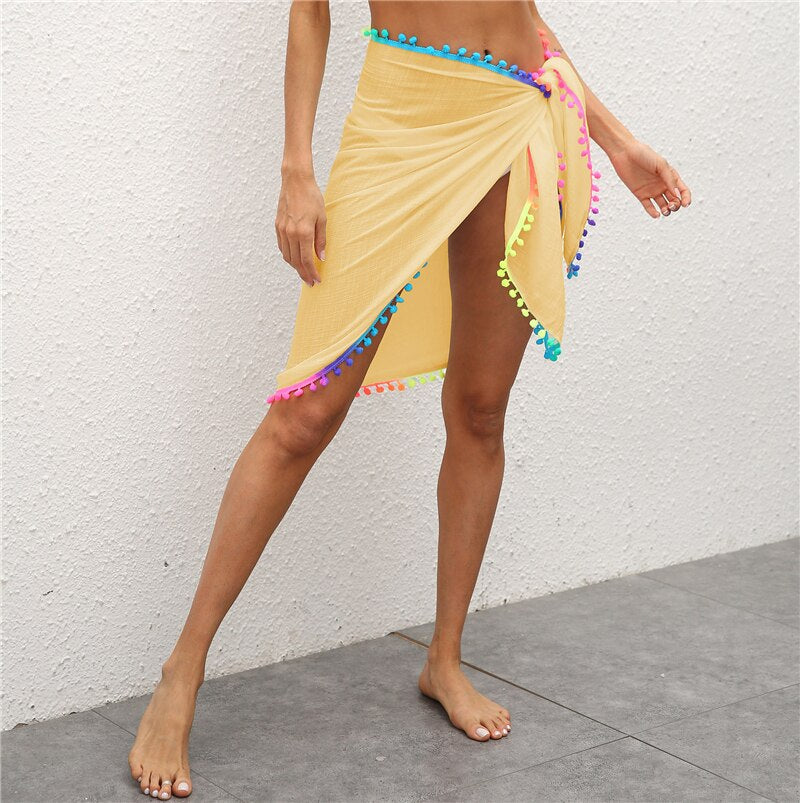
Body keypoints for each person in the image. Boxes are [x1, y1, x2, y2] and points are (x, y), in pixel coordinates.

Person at [128, 1, 691, 798]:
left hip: (515, 117)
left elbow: (525, 17)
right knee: (305, 414)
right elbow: (311, 10)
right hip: (404, 115)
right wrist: (296, 168)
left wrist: (618, 139)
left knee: (481, 410)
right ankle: (182, 669)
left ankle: (445, 658)